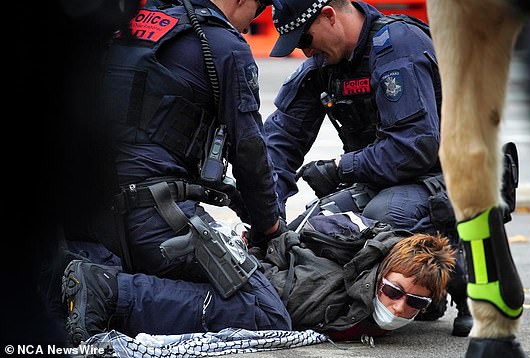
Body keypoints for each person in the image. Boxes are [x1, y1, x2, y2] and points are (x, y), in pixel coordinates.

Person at [61, 0, 293, 345]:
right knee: (265, 310)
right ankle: (110, 291)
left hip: (84, 214)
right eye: (255, 12)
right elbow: (249, 152)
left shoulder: (121, 24)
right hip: (155, 220)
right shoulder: (223, 44)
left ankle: (74, 284)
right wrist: (269, 227)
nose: (247, 24)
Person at [262, 0, 476, 336]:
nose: (305, 52)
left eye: (305, 40)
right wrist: (268, 221)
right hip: (378, 180)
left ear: (329, 16)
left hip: (441, 179)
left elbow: (415, 147)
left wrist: (340, 167)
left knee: (383, 215)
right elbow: (279, 142)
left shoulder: (397, 46)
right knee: (315, 228)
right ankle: (358, 299)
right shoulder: (325, 63)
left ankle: (446, 279)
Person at [258, 214, 456, 341]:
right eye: (393, 291)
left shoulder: (427, 287)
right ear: (380, 276)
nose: (399, 307)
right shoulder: (322, 292)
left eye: (416, 302)